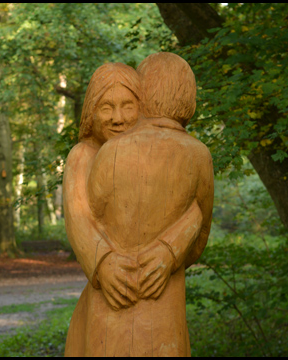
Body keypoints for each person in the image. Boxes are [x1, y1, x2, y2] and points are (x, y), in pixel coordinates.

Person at [84, 52, 214, 356]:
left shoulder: (110, 152)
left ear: (142, 97)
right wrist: (171, 252)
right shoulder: (199, 154)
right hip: (162, 300)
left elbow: (92, 213)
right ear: (190, 98)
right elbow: (201, 234)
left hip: (111, 306)